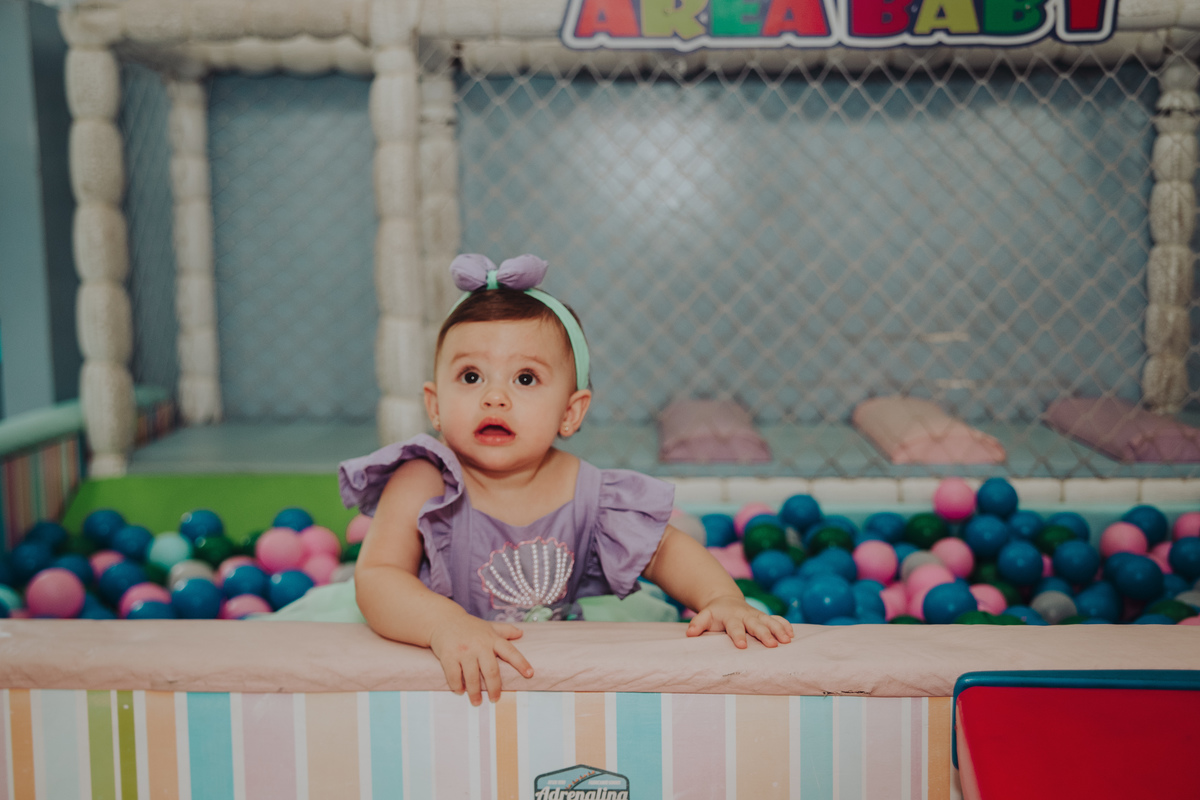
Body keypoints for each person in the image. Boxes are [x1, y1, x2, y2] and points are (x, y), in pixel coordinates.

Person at [339, 253, 793, 706]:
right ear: (435, 405)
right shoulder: (424, 480)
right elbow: (379, 576)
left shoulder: (589, 492)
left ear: (570, 412)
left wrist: (720, 597)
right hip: (432, 644)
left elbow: (664, 549)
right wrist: (442, 624)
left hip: (551, 652)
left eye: (525, 378)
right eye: (471, 376)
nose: (494, 397)